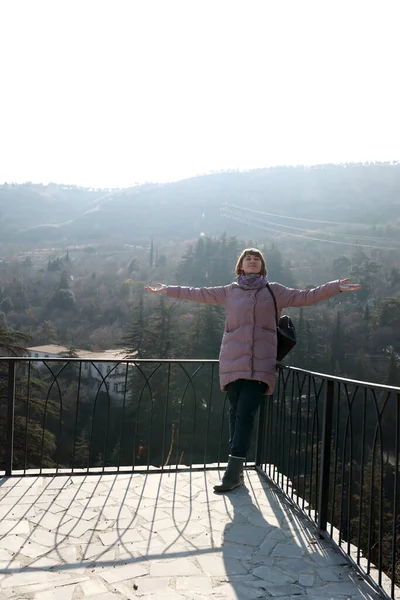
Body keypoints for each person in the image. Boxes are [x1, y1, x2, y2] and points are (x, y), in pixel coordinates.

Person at [145, 248, 361, 493]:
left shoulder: (274, 291)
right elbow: (198, 293)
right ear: (240, 265)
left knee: (245, 413)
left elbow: (306, 296)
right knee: (235, 412)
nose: (252, 260)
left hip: (262, 363)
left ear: (262, 266)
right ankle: (236, 468)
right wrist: (168, 289)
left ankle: (232, 472)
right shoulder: (229, 291)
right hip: (232, 361)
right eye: (248, 258)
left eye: (256, 258)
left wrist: (335, 287)